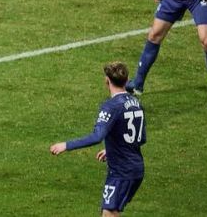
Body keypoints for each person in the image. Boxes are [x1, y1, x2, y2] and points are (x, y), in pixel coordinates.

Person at [50, 62, 146, 216]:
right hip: (136, 168)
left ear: (107, 81)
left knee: (109, 213)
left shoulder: (111, 106)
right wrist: (111, 149)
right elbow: (139, 138)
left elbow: (97, 137)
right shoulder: (136, 103)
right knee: (109, 212)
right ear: (127, 80)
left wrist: (66, 145)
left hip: (121, 172)